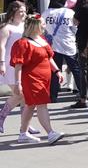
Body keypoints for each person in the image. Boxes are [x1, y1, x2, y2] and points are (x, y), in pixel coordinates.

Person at [9, 12, 63, 144]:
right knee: (41, 104)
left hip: (44, 78)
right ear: (35, 26)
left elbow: (48, 58)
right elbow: (18, 65)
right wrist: (18, 83)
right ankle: (50, 133)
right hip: (31, 79)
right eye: (42, 24)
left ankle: (23, 133)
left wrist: (57, 71)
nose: (45, 26)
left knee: (30, 105)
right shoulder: (22, 43)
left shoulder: (42, 40)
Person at [42, 0, 81, 104]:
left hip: (52, 46)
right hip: (68, 44)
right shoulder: (69, 12)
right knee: (76, 69)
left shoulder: (46, 13)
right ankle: (83, 92)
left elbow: (43, 29)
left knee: (54, 70)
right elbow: (75, 29)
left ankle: (53, 95)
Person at [0, 0, 28, 129]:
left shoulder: (25, 26)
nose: (23, 14)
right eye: (20, 11)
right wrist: (2, 64)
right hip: (10, 64)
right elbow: (2, 47)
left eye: (24, 11)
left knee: (25, 96)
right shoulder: (6, 27)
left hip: (24, 64)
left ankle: (25, 125)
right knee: (19, 94)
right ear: (13, 12)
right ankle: (1, 117)